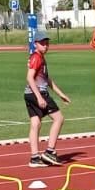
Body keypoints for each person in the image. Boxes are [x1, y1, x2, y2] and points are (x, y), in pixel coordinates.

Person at [25, 33, 70, 167]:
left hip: (29, 94)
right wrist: (39, 96)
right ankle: (50, 151)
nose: (45, 46)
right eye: (42, 43)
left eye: (47, 43)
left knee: (35, 124)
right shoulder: (36, 58)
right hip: (38, 93)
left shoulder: (40, 58)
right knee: (59, 118)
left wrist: (61, 94)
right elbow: (29, 77)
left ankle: (34, 157)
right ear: (35, 44)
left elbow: (47, 79)